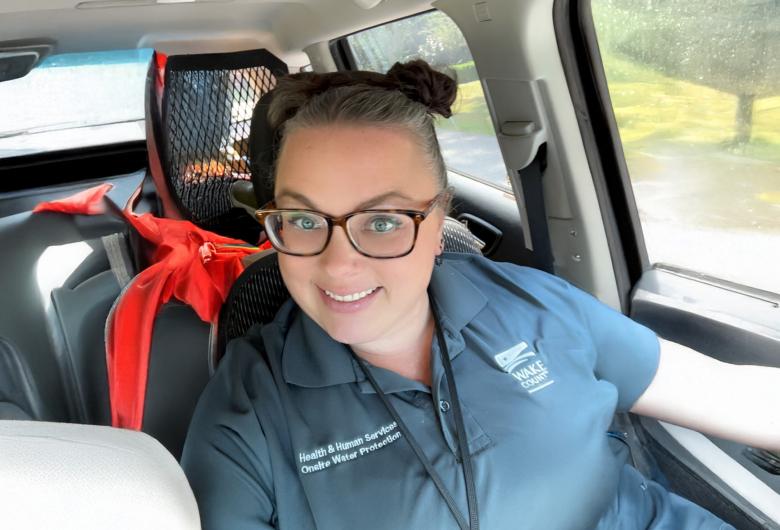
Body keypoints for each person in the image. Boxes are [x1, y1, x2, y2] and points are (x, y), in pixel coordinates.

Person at [180, 60, 779, 530]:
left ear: (439, 224)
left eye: (383, 221)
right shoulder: (248, 411)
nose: (339, 266)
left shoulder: (536, 305)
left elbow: (726, 392)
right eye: (304, 221)